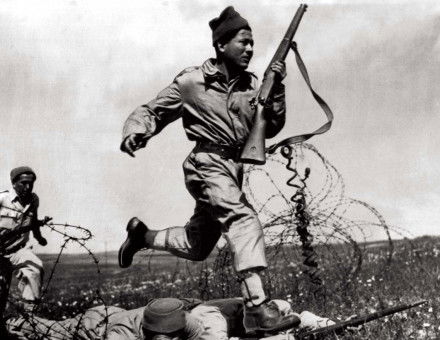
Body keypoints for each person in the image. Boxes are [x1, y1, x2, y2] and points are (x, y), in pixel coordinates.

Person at [118, 6, 292, 334]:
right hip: (205, 164)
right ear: (221, 45)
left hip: (232, 170)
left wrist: (277, 87)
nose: (250, 49)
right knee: (242, 219)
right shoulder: (191, 81)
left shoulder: (252, 86)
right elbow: (151, 111)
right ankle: (256, 308)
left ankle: (143, 235)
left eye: (253, 43)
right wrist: (135, 130)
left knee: (198, 245)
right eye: (244, 42)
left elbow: (271, 128)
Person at [5, 297, 334, 340]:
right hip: (98, 324)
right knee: (39, 332)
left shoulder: (189, 323)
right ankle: (13, 320)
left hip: (117, 313)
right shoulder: (122, 335)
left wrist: (312, 323)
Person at [0, 166, 51, 320]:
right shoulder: (2, 199)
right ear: (14, 182)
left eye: (31, 183)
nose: (28, 187)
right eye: (23, 183)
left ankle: (29, 317)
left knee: (34, 267)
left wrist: (39, 237)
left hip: (18, 250)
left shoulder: (33, 200)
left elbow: (33, 221)